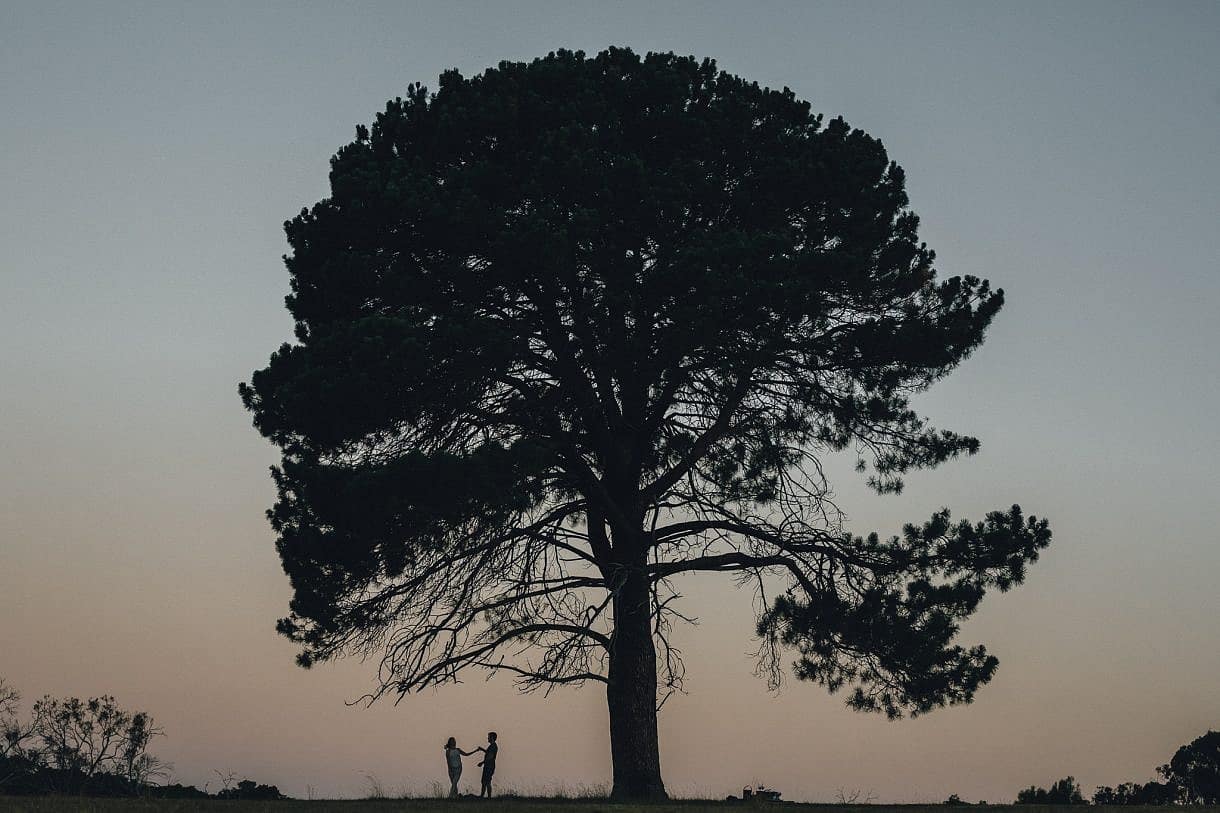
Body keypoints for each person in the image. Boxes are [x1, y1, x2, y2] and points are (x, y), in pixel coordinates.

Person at [476, 731, 498, 798]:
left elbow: (490, 757)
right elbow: (488, 753)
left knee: (487, 781)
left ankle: (488, 797)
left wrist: (482, 762)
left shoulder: (493, 746)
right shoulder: (492, 746)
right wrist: (482, 749)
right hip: (488, 766)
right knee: (484, 781)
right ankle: (483, 796)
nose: (487, 738)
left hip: (489, 766)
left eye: (489, 737)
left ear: (492, 737)